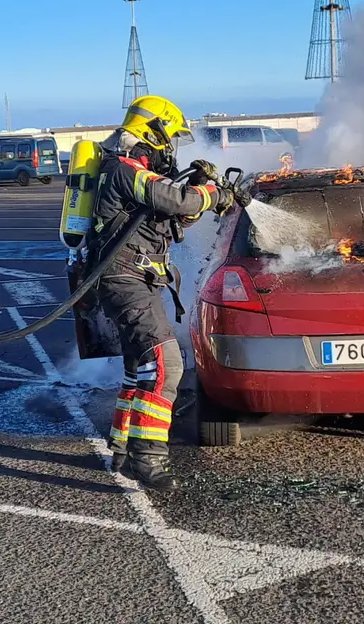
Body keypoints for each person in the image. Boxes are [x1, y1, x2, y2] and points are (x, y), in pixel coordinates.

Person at [86, 95, 234, 491]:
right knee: (166, 364)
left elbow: (176, 209)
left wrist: (200, 185)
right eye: (171, 137)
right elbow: (176, 199)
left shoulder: (123, 169)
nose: (173, 148)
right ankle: (147, 459)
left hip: (130, 281)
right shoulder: (124, 169)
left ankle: (121, 445)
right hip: (125, 281)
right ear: (154, 132)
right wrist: (215, 195)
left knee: (140, 369)